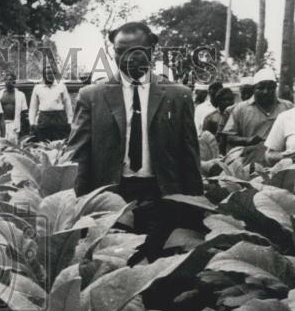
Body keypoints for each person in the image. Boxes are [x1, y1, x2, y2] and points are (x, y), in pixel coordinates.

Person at [66, 21, 203, 263]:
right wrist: (77, 210)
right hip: (112, 199)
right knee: (114, 269)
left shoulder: (178, 95)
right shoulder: (92, 96)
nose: (127, 57)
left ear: (152, 50)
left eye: (136, 50)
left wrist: (194, 212)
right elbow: (79, 157)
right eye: (120, 51)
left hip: (163, 198)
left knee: (161, 272)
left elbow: (189, 157)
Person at [222, 67, 295, 150]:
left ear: (275, 88)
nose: (266, 92)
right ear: (253, 89)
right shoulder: (240, 109)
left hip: (281, 157)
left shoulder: (288, 107)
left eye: (270, 88)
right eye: (261, 88)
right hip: (250, 158)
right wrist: (247, 140)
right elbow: (229, 136)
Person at [29, 62, 73, 142]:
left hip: (59, 118)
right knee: (44, 142)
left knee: (60, 142)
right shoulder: (37, 88)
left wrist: (70, 120)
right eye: (47, 74)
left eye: (51, 74)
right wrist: (32, 122)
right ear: (43, 76)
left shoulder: (61, 86)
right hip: (44, 119)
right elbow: (33, 107)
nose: (50, 76)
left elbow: (68, 105)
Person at [0, 71, 29, 143]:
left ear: (14, 81)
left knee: (13, 147)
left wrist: (22, 129)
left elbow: (24, 112)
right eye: (6, 79)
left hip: (14, 124)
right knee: (0, 146)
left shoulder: (20, 95)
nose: (8, 81)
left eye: (11, 79)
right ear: (4, 81)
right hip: (1, 124)